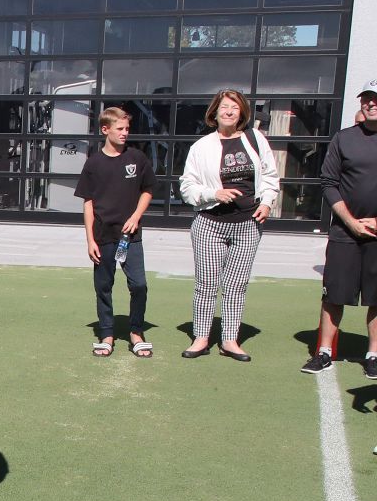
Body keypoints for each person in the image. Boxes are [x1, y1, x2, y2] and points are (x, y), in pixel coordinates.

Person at [178, 89, 280, 361]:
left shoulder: (256, 139)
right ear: (215, 112)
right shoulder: (202, 147)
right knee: (206, 283)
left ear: (242, 113)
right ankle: (201, 338)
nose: (229, 112)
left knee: (236, 284)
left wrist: (267, 202)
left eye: (235, 107)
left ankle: (230, 340)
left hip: (248, 224)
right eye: (224, 107)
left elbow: (270, 175)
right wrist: (215, 194)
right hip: (210, 224)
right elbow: (187, 187)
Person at [301, 78, 377, 376]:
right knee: (333, 294)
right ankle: (323, 352)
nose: (370, 103)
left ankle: (373, 355)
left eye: (376, 99)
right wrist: (350, 222)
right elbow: (329, 183)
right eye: (366, 98)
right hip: (345, 232)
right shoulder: (344, 138)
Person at [75, 107, 157, 358]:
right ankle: (107, 333)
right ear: (105, 130)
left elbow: (148, 190)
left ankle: (136, 332)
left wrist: (135, 216)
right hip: (102, 236)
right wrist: (90, 240)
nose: (124, 133)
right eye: (120, 129)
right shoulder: (93, 163)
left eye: (127, 129)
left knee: (139, 285)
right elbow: (87, 203)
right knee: (103, 286)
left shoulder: (137, 158)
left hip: (130, 236)